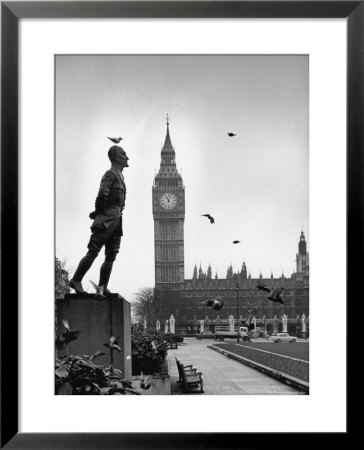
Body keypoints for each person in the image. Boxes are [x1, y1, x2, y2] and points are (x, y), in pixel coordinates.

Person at [68, 145, 129, 294]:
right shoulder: (110, 174)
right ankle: (76, 280)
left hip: (117, 220)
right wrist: (99, 213)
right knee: (93, 251)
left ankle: (102, 287)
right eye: (123, 154)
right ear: (115, 157)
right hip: (107, 218)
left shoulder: (121, 176)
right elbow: (102, 194)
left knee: (111, 255)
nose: (127, 157)